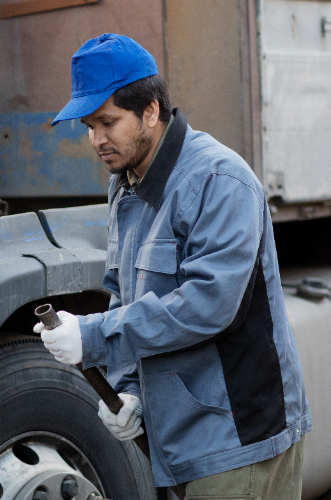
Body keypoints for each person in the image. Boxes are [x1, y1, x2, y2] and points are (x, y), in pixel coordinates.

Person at [34, 34, 311, 499]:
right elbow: (124, 291)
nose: (96, 139)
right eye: (88, 125)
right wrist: (127, 391)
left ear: (150, 111)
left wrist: (93, 336)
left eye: (107, 122)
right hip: (181, 437)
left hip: (238, 438)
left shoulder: (218, 180)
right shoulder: (125, 184)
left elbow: (210, 302)